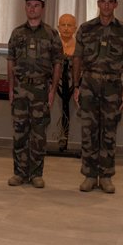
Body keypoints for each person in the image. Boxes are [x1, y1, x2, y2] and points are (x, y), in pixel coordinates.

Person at [73, 0, 123, 194]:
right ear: (98, 3)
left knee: (108, 132)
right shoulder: (86, 28)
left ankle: (106, 176)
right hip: (89, 84)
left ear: (115, 4)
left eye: (111, 2)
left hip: (112, 86)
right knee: (89, 131)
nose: (107, 5)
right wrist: (76, 86)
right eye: (103, 1)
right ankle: (90, 175)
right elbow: (77, 58)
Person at [7, 0, 63, 188]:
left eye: (36, 5)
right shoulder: (17, 33)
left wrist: (52, 89)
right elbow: (11, 61)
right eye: (29, 5)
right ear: (25, 7)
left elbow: (58, 63)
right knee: (20, 132)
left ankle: (36, 174)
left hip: (41, 90)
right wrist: (11, 88)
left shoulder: (51, 34)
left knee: (38, 134)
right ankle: (19, 173)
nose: (32, 9)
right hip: (21, 89)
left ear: (43, 8)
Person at [54, 12, 77, 151]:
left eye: (70, 25)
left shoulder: (79, 46)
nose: (66, 28)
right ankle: (62, 137)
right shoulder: (55, 45)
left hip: (71, 83)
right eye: (63, 25)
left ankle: (66, 138)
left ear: (75, 28)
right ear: (58, 27)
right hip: (59, 83)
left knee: (68, 109)